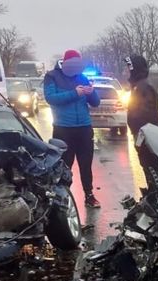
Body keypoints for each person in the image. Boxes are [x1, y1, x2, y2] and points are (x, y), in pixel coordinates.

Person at [44, 49, 101, 208]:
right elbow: (51, 98)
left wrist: (91, 93)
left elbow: (96, 103)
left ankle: (89, 195)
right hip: (63, 129)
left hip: (84, 128)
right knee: (64, 166)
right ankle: (62, 196)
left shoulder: (82, 77)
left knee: (86, 164)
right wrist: (75, 93)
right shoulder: (52, 76)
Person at [125, 55, 158, 170]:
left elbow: (146, 115)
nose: (126, 71)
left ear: (135, 69)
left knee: (148, 165)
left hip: (146, 136)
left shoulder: (143, 87)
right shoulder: (139, 86)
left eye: (128, 68)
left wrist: (139, 134)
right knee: (146, 165)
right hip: (142, 135)